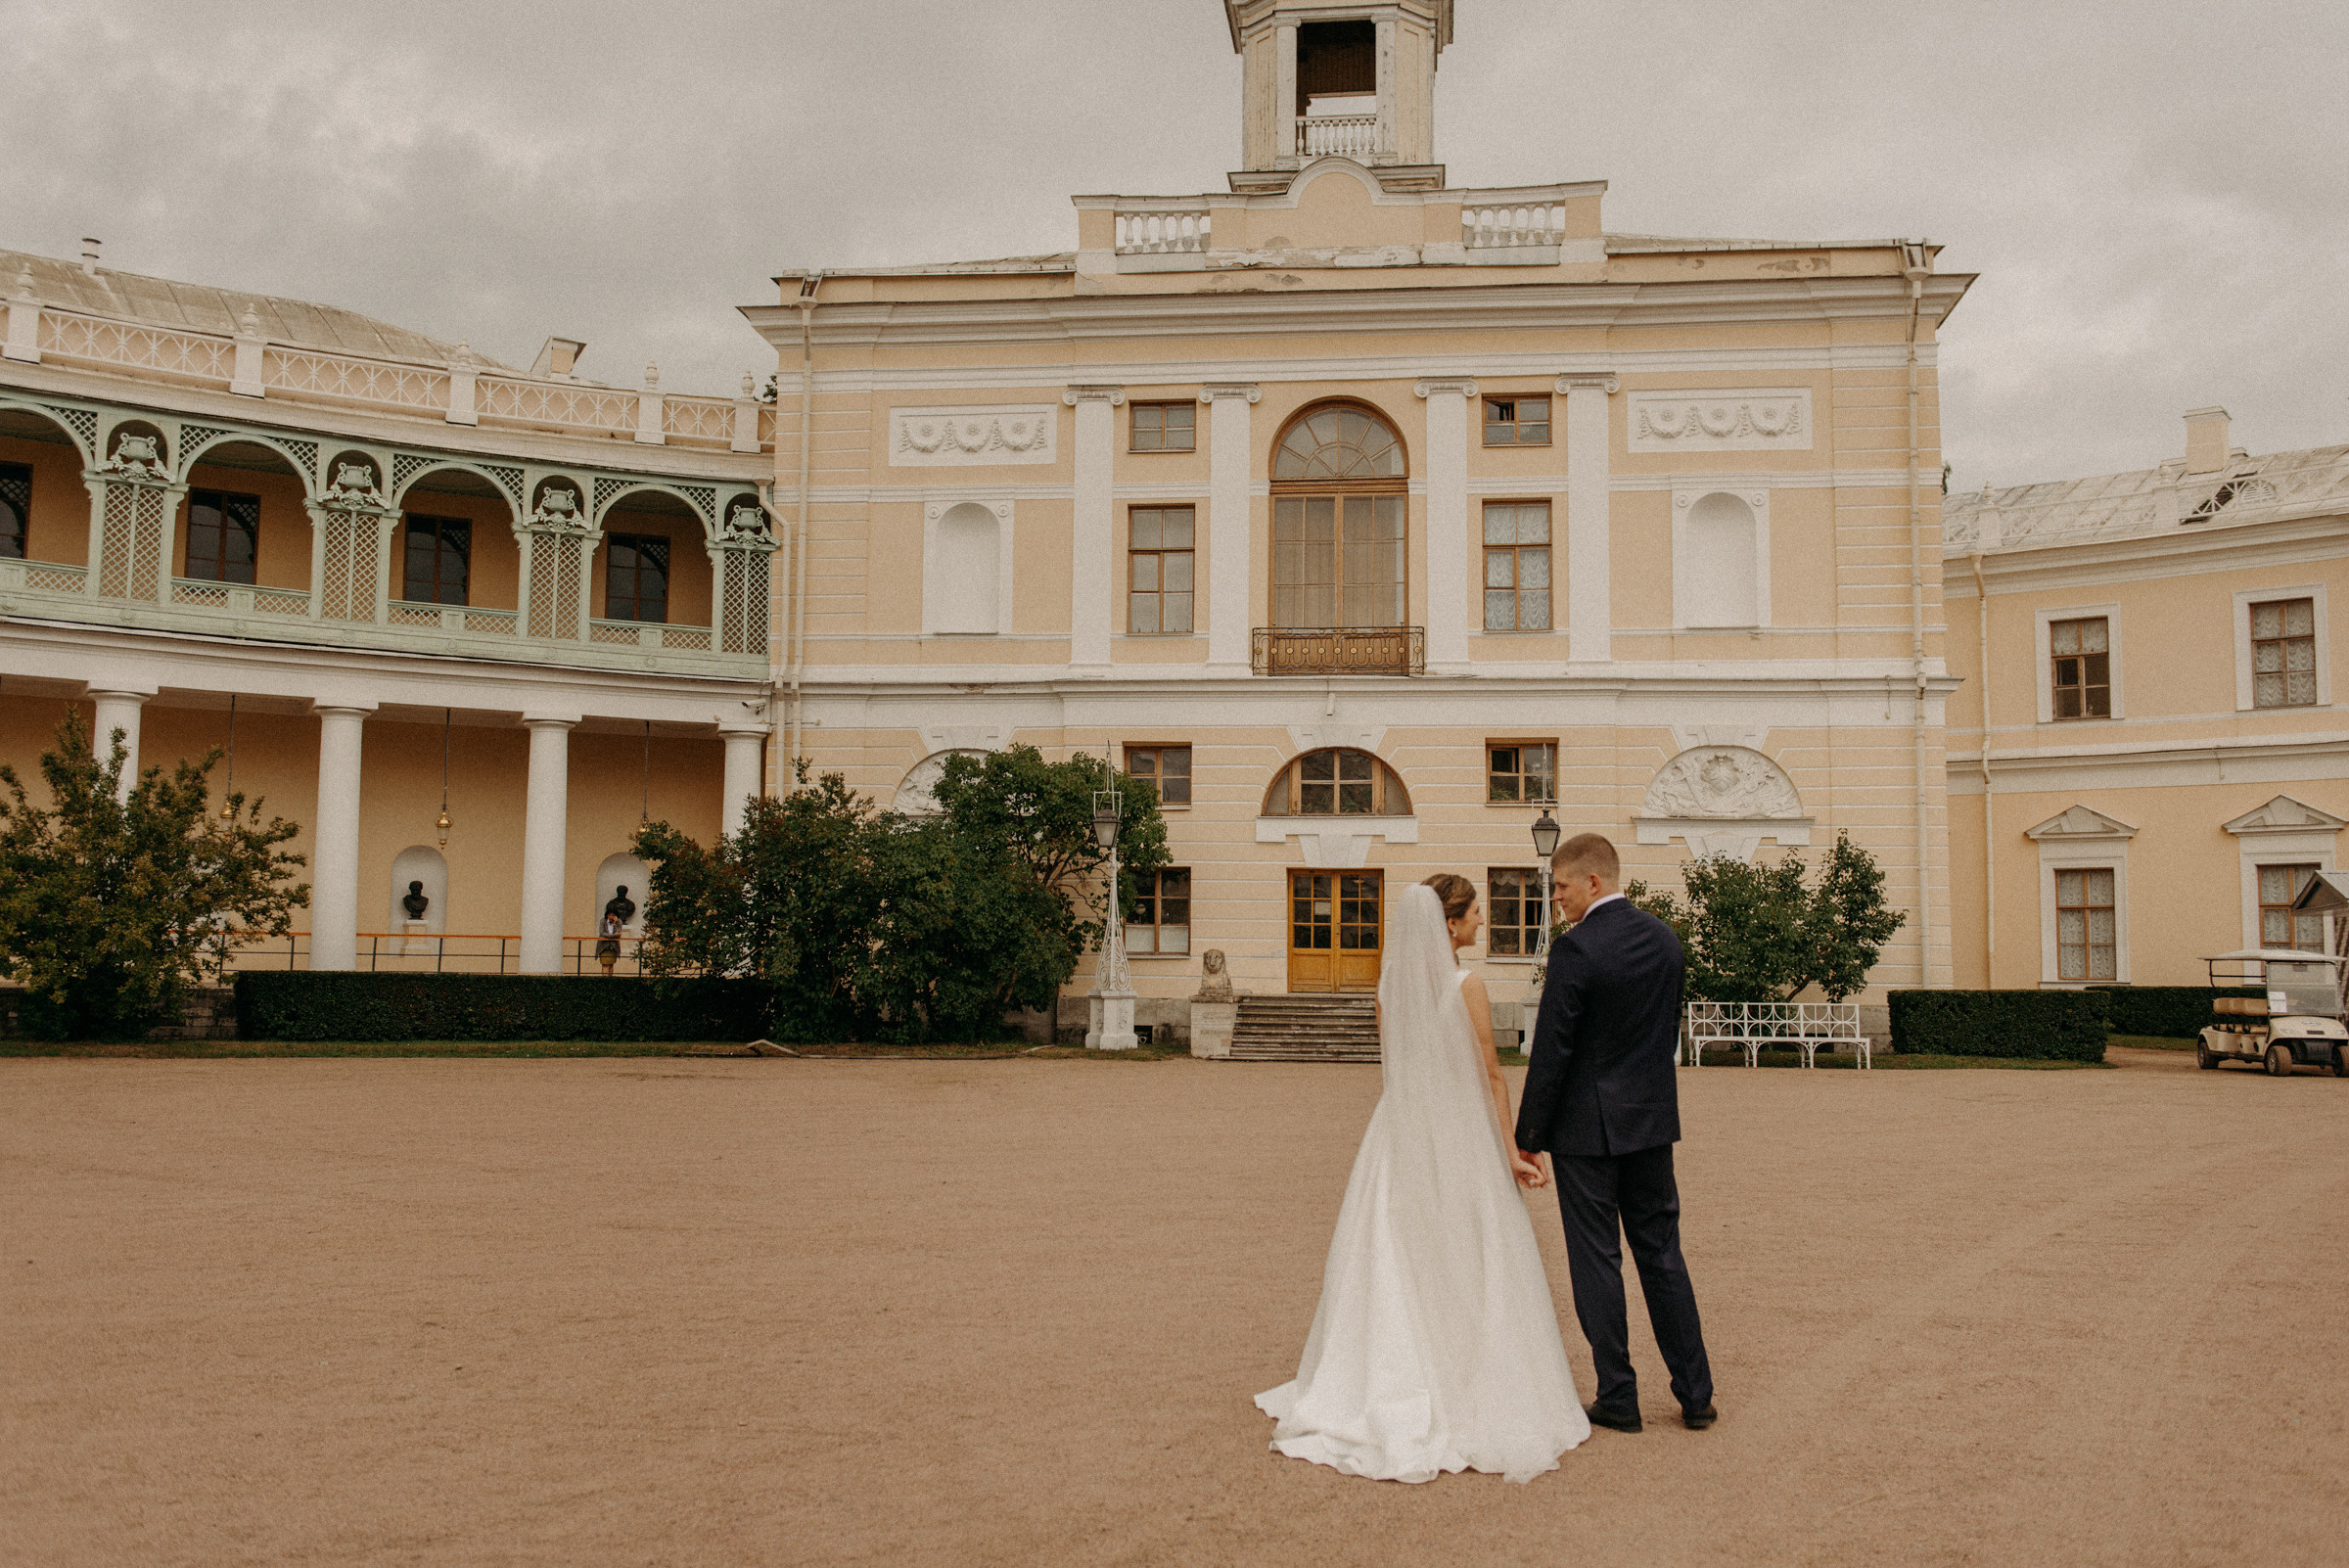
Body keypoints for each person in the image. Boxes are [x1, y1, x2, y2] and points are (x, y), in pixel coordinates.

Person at [1256, 875, 1589, 1484]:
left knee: (1391, 1249)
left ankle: (1376, 1375)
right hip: (1457, 1130)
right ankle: (1468, 1378)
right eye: (1475, 915)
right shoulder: (1466, 985)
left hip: (1399, 1130)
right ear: (1449, 925)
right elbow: (1490, 1074)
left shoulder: (1390, 991)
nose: (1482, 923)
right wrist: (1512, 1149)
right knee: (1469, 1253)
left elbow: (1400, 1067)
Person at [1514, 833, 1717, 1434]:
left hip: (1586, 1132)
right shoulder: (1666, 941)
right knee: (1662, 1254)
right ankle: (1696, 1395)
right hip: (1652, 1123)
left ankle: (1619, 1398)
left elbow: (1552, 1052)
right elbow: (1661, 1033)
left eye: (1561, 887)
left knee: (1596, 1260)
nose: (1556, 900)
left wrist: (1529, 1135)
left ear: (1593, 882)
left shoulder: (1577, 951)